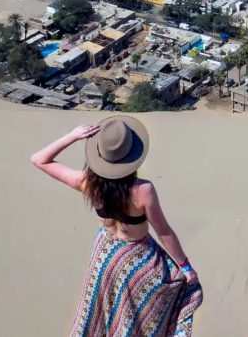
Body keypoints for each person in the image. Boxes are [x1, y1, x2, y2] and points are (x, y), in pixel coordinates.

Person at [31, 116, 202, 336]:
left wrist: (73, 136)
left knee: (100, 318)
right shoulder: (143, 190)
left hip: (104, 259)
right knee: (173, 298)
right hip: (137, 260)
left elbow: (39, 159)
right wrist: (186, 268)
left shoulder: (88, 183)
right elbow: (164, 232)